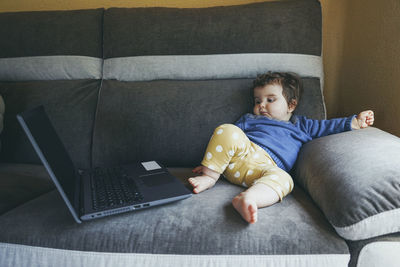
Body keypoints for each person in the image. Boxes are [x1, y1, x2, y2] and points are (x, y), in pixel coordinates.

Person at [188, 72, 374, 224]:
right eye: (257, 101)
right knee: (227, 130)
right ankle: (209, 177)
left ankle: (250, 199)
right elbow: (227, 141)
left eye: (270, 100)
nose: (261, 105)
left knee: (285, 180)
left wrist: (355, 122)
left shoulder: (301, 125)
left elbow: (327, 126)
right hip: (242, 154)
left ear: (291, 105)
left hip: (264, 169)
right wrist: (212, 165)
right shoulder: (250, 119)